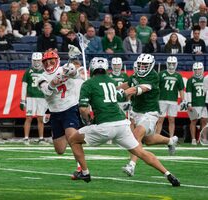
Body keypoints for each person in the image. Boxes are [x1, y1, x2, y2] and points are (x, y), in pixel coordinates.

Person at [68, 56, 180, 187]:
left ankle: (85, 172)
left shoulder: (88, 84)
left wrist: (87, 121)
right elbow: (120, 94)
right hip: (122, 124)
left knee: (73, 139)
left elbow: (83, 109)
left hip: (110, 124)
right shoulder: (111, 82)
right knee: (141, 151)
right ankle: (168, 174)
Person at [118, 54, 178, 177]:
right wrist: (112, 89)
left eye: (145, 65)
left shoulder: (153, 76)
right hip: (137, 111)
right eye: (140, 64)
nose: (142, 67)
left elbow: (137, 89)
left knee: (135, 137)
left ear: (151, 66)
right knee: (148, 140)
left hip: (150, 112)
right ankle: (170, 141)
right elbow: (128, 84)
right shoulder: (136, 74)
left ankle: (131, 165)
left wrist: (122, 94)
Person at [37, 50, 85, 175]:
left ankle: (82, 169)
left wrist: (71, 71)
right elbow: (47, 91)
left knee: (72, 138)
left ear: (57, 60)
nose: (48, 64)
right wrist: (54, 82)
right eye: (46, 62)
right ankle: (77, 136)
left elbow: (76, 75)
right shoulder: (41, 77)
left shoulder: (65, 68)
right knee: (60, 150)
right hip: (55, 112)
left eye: (51, 61)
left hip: (70, 108)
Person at [20, 52, 48, 145]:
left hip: (42, 97)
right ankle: (26, 138)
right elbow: (24, 86)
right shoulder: (28, 71)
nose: (36, 62)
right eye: (35, 60)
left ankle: (41, 138)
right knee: (28, 118)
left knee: (40, 118)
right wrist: (22, 100)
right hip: (31, 97)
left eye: (38, 60)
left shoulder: (45, 72)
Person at [155, 56, 185, 140]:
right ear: (167, 64)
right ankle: (157, 136)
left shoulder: (178, 76)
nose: (171, 65)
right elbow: (156, 87)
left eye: (173, 63)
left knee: (172, 120)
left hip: (173, 100)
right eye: (170, 63)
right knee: (160, 119)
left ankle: (171, 137)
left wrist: (183, 100)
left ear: (176, 64)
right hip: (162, 99)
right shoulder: (161, 74)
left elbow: (181, 89)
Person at [186, 62, 208, 145]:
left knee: (204, 121)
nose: (197, 71)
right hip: (194, 103)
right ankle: (193, 139)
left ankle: (202, 138)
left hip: (204, 103)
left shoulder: (206, 79)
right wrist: (189, 104)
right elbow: (188, 92)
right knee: (193, 121)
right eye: (196, 69)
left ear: (202, 70)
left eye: (199, 69)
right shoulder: (191, 80)